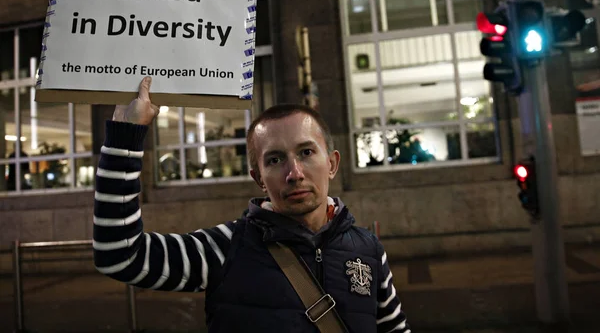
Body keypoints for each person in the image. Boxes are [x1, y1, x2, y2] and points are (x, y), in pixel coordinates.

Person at [93, 76, 410, 333]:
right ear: (259, 178)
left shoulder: (368, 249)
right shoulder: (225, 249)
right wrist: (126, 135)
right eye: (275, 159)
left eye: (306, 153)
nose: (294, 173)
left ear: (332, 163)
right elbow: (121, 255)